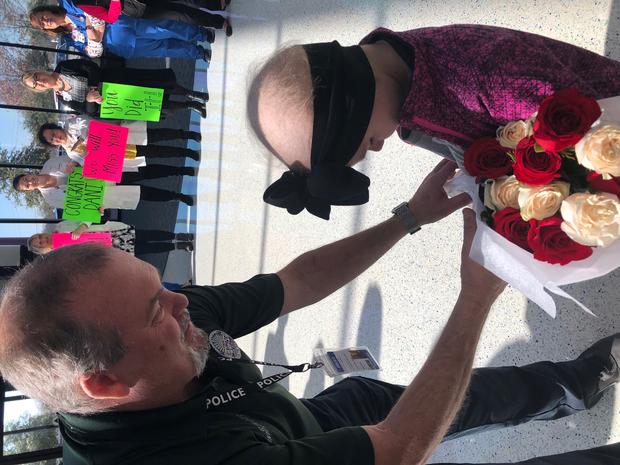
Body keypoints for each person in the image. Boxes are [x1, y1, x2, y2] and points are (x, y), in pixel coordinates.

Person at [0, 159, 618, 465]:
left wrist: (409, 216)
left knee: (417, 396)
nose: (184, 301)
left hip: (291, 418)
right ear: (104, 384)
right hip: (263, 448)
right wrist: (477, 293)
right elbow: (397, 450)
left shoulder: (161, 324)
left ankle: (575, 382)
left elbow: (295, 282)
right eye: (156, 306)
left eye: (163, 285)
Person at [247, 24, 620, 219]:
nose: (379, 145)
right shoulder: (402, 82)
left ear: (357, 98)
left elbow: (592, 129)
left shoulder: (485, 74)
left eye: (367, 143)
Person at [21, 58, 207, 118]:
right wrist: (90, 100)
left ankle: (192, 94)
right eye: (36, 84)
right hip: (116, 101)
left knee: (157, 85)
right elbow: (87, 112)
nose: (40, 82)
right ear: (39, 89)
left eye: (37, 77)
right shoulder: (62, 99)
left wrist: (93, 86)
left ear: (39, 72)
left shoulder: (63, 67)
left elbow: (89, 66)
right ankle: (190, 107)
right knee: (156, 105)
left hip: (117, 80)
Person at [28, 4, 215, 61]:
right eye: (43, 25)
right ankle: (198, 53)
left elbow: (94, 12)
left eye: (42, 17)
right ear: (47, 30)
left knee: (163, 28)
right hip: (122, 46)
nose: (46, 22)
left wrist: (93, 35)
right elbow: (93, 52)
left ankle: (199, 34)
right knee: (164, 49)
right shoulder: (68, 38)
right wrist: (92, 31)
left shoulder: (68, 4)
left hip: (122, 25)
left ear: (46, 10)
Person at [13, 153, 196, 209]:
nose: (31, 182)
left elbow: (75, 157)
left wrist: (72, 165)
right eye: (27, 186)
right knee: (144, 194)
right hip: (103, 193)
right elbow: (76, 205)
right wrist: (95, 207)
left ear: (29, 173)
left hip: (103, 172)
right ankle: (178, 196)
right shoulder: (50, 199)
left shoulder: (50, 163)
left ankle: (181, 170)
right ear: (29, 191)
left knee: (145, 172)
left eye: (27, 179)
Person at [37, 120, 201, 166]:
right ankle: (186, 153)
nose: (56, 137)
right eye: (52, 140)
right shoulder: (70, 153)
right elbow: (88, 161)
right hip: (121, 152)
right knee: (155, 152)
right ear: (53, 144)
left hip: (121, 135)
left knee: (158, 135)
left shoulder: (71, 124)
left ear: (55, 128)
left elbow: (89, 125)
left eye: (53, 133)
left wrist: (82, 141)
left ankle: (187, 134)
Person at [54, 0, 233, 34]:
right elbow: (110, 17)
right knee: (179, 15)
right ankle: (218, 23)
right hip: (136, 8)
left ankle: (216, 4)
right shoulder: (79, 3)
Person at [28, 220, 194, 255]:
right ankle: (178, 247)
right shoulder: (60, 256)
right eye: (40, 243)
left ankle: (177, 236)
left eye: (40, 237)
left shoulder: (61, 227)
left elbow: (87, 217)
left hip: (111, 233)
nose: (43, 240)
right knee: (147, 249)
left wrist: (81, 227)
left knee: (148, 234)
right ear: (43, 249)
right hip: (110, 251)